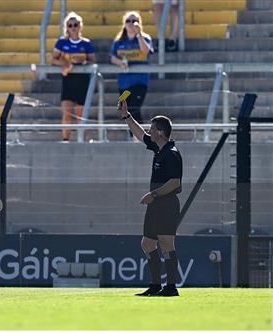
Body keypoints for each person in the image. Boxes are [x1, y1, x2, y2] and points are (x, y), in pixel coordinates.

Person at [118, 99, 183, 297]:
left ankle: (171, 287)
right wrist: (126, 115)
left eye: (153, 128)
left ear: (161, 133)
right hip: (155, 204)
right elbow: (140, 135)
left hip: (167, 204)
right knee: (147, 244)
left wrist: (153, 194)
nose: (150, 131)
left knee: (166, 243)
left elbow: (175, 183)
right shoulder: (159, 149)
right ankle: (155, 285)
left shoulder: (171, 153)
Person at [51, 12, 96, 141]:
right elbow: (53, 59)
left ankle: (82, 141)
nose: (73, 27)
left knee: (81, 115)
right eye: (70, 25)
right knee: (67, 114)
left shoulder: (86, 43)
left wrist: (83, 63)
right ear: (67, 27)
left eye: (75, 24)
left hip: (82, 81)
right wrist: (65, 63)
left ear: (80, 26)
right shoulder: (62, 42)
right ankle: (65, 140)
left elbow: (93, 61)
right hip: (68, 80)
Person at [110, 11, 153, 136]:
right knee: (126, 111)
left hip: (140, 81)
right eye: (128, 21)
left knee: (134, 108)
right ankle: (137, 136)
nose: (130, 24)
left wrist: (139, 34)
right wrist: (120, 63)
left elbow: (146, 51)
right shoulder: (118, 41)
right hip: (124, 83)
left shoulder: (145, 38)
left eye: (134, 21)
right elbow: (112, 57)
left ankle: (140, 137)